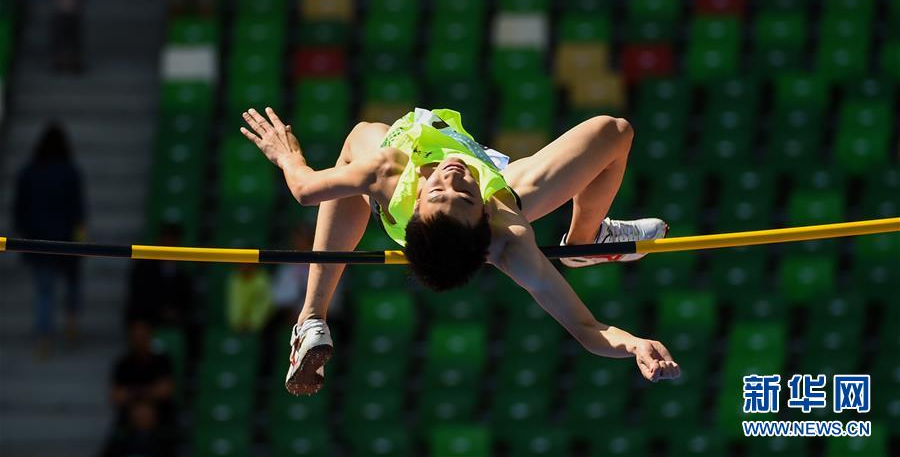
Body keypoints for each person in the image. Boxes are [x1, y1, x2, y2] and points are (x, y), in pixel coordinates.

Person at [239, 106, 679, 396]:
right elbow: (586, 327)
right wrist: (633, 344)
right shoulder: (508, 231)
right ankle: (586, 240)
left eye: (442, 192)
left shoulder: (389, 168)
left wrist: (287, 155)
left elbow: (304, 190)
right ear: (484, 215)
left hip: (433, 166)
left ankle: (311, 318)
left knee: (361, 139)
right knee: (612, 132)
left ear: (418, 206)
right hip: (500, 181)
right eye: (463, 194)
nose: (452, 177)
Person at [12, 122, 86, 357]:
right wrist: (81, 235)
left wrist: (23, 233)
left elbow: (19, 208)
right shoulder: (69, 171)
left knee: (45, 291)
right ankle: (71, 322)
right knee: (71, 282)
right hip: (66, 239)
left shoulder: (29, 171)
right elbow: (78, 208)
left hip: (39, 240)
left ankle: (44, 337)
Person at [124, 224, 193, 328]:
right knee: (139, 325)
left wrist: (175, 313)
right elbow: (139, 298)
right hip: (148, 318)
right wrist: (160, 311)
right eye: (167, 239)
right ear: (159, 241)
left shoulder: (183, 275)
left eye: (173, 240)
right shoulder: (144, 268)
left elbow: (187, 303)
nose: (170, 244)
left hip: (176, 323)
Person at [110, 320, 175, 426]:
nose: (139, 342)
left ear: (150, 337)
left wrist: (134, 393)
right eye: (135, 338)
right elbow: (116, 396)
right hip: (130, 412)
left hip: (159, 411)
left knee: (144, 412)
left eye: (142, 337)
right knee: (140, 413)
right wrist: (149, 391)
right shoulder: (123, 364)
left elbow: (165, 391)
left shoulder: (162, 361)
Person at [100, 401, 173, 457]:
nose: (142, 418)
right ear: (130, 417)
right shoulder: (120, 439)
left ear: (155, 417)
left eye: (145, 415)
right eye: (139, 415)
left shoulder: (165, 440)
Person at [226, 263, 274, 333]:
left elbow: (264, 306)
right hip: (236, 327)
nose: (244, 266)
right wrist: (238, 322)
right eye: (242, 263)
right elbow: (234, 305)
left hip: (261, 329)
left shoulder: (262, 280)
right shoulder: (234, 280)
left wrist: (253, 323)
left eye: (247, 264)